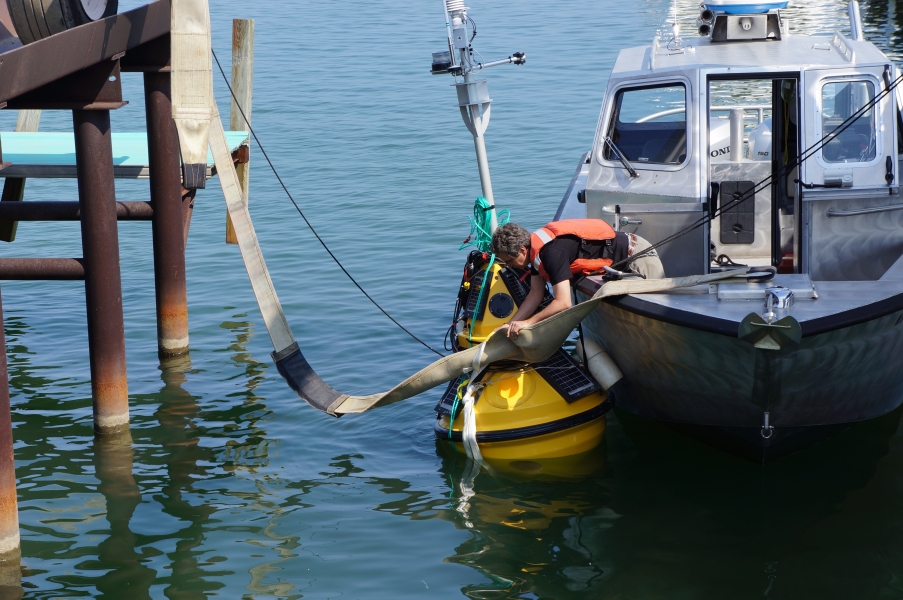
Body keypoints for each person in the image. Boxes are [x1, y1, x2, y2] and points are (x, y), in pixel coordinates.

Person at [490, 219, 664, 338]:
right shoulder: (535, 253)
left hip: (637, 255)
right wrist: (511, 324)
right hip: (620, 260)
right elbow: (535, 293)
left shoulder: (551, 253)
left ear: (522, 250)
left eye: (510, 261)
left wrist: (528, 323)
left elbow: (563, 302)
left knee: (657, 318)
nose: (510, 266)